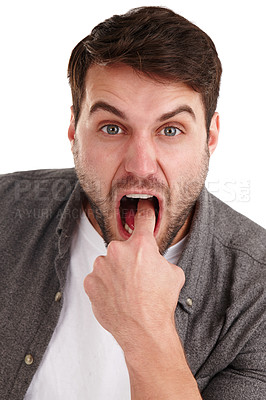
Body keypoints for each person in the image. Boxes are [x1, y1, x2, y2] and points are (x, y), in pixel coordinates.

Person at [0, 6, 265, 400]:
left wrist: (145, 329)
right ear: (75, 131)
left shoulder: (256, 292)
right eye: (111, 127)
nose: (140, 166)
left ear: (210, 136)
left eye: (170, 130)